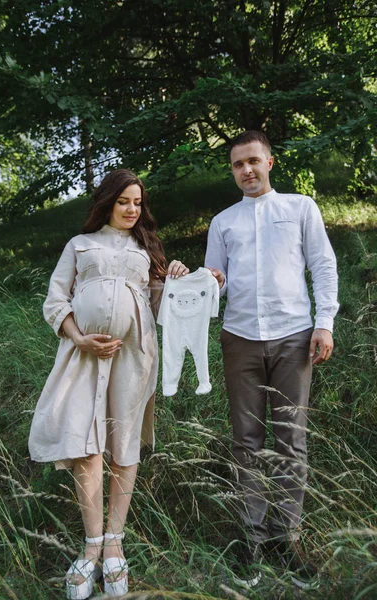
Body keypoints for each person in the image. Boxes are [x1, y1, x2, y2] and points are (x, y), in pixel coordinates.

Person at [28, 169, 189, 600]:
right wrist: (79, 336)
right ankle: (91, 546)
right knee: (87, 445)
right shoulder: (79, 246)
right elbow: (55, 299)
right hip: (83, 356)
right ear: (107, 202)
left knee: (124, 444)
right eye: (124, 202)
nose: (132, 209)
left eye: (137, 202)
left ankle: (115, 543)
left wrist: (173, 274)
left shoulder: (145, 247)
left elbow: (163, 305)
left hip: (133, 357)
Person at [205, 131, 339, 590]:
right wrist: (210, 281)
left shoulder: (301, 208)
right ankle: (254, 539)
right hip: (239, 337)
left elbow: (322, 265)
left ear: (270, 162)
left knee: (291, 440)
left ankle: (288, 539)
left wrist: (325, 323)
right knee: (246, 440)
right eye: (238, 164)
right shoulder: (222, 221)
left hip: (294, 336)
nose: (246, 170)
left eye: (253, 161)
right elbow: (214, 287)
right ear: (233, 170)